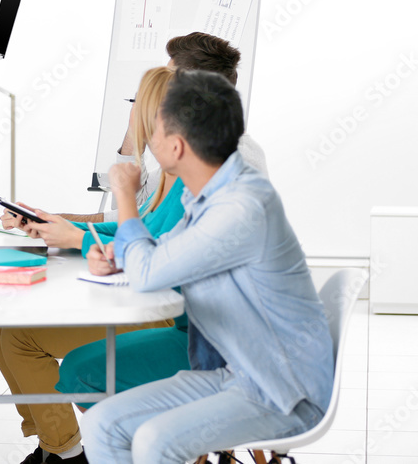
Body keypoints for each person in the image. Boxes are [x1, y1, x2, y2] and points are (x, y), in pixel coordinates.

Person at [80, 71, 333, 462]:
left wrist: (124, 193)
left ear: (177, 147)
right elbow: (164, 253)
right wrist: (119, 258)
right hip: (238, 375)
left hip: (284, 392)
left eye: (156, 131)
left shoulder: (241, 206)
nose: (149, 140)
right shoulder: (211, 196)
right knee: (103, 424)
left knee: (154, 441)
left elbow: (148, 274)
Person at [0, 67, 181, 464]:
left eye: (135, 108)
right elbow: (131, 229)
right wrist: (56, 223)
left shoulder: (184, 178)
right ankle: (53, 443)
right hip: (147, 301)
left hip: (165, 315)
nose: (129, 117)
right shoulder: (167, 175)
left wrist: (77, 237)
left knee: (20, 338)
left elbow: (151, 252)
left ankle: (64, 453)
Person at [8, 31, 265, 229]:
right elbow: (141, 208)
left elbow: (149, 231)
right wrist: (49, 220)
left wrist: (75, 236)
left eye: (167, 82)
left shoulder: (231, 158)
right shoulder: (196, 148)